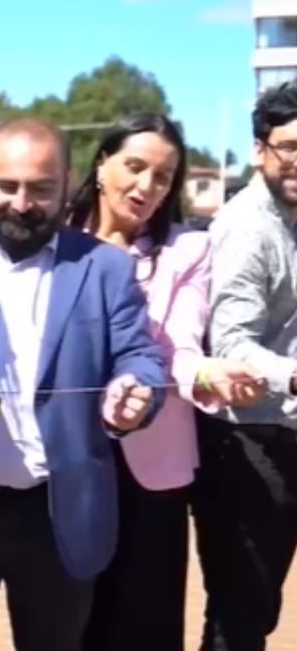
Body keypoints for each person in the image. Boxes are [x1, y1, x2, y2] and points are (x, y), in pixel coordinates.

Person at [0, 118, 167, 651]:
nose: (22, 203)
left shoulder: (105, 267)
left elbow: (140, 355)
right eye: (7, 186)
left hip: (56, 512)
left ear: (67, 182)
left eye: (41, 189)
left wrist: (136, 391)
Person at [65, 113, 262, 651]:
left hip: (155, 468)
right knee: (69, 623)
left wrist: (202, 371)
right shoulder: (54, 244)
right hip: (69, 459)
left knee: (145, 625)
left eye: (163, 176)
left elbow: (178, 342)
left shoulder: (188, 251)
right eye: (135, 167)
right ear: (102, 163)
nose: (147, 186)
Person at [198, 81, 297, 650]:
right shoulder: (245, 227)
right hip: (250, 446)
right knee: (242, 614)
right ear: (260, 149)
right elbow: (233, 342)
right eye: (289, 146)